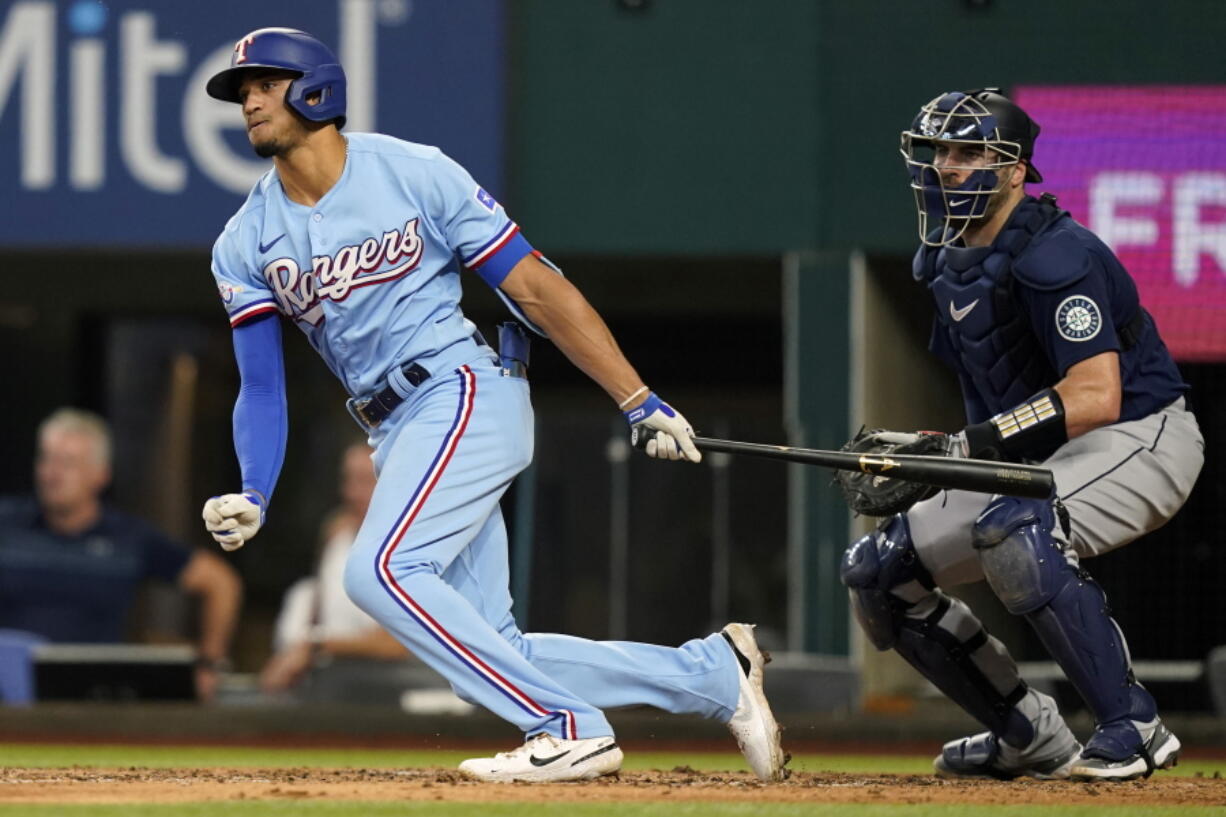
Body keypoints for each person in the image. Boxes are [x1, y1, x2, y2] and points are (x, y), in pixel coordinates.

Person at [199, 28, 786, 783]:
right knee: (491, 645)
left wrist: (637, 397)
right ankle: (712, 673)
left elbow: (536, 285)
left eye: (264, 82)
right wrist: (255, 486)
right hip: (394, 427)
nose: (248, 99)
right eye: (240, 89)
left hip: (462, 388)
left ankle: (567, 724)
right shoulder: (244, 239)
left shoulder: (412, 172)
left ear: (316, 88)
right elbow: (263, 383)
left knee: (378, 570)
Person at [840, 88, 1203, 782]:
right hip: (1048, 450)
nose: (947, 166)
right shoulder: (945, 262)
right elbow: (995, 404)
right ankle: (1028, 733)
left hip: (1145, 435)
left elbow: (1097, 396)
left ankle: (1135, 724)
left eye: (970, 151)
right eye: (940, 150)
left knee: (1015, 528)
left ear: (1014, 171)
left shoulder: (1056, 254)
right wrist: (945, 451)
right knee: (877, 572)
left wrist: (972, 445)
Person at [0, 408, 242, 701]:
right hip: (8, 698)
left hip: (95, 700)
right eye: (47, 459)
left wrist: (209, 664)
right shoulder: (7, 525)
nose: (52, 473)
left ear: (100, 475)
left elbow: (220, 583)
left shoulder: (129, 538)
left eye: (68, 463)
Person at [259, 441, 409, 693]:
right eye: (348, 480)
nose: (352, 493)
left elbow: (397, 645)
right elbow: (317, 609)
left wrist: (316, 646)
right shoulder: (337, 530)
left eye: (365, 481)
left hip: (392, 684)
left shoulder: (412, 548)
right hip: (327, 675)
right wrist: (295, 653)